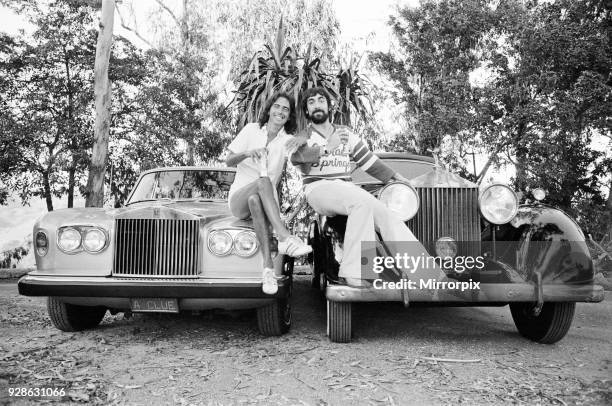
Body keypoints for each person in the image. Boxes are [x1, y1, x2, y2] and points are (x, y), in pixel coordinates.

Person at [290, 87, 418, 287]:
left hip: (345, 188)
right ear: (306, 110)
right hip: (318, 188)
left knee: (385, 214)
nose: (317, 104)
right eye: (311, 102)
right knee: (361, 202)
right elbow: (296, 157)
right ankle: (356, 272)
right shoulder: (303, 136)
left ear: (328, 106)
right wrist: (326, 148)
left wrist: (397, 177)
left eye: (321, 100)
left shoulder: (344, 133)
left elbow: (369, 161)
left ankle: (429, 275)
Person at [226, 92, 311, 295]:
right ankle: (284, 237)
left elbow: (304, 158)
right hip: (238, 199)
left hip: (263, 201)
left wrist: (303, 137)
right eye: (277, 106)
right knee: (262, 182)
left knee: (257, 198)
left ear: (289, 116)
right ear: (270, 108)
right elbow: (229, 160)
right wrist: (248, 152)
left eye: (285, 109)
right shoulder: (251, 130)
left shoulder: (286, 141)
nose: (280, 111)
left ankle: (267, 270)